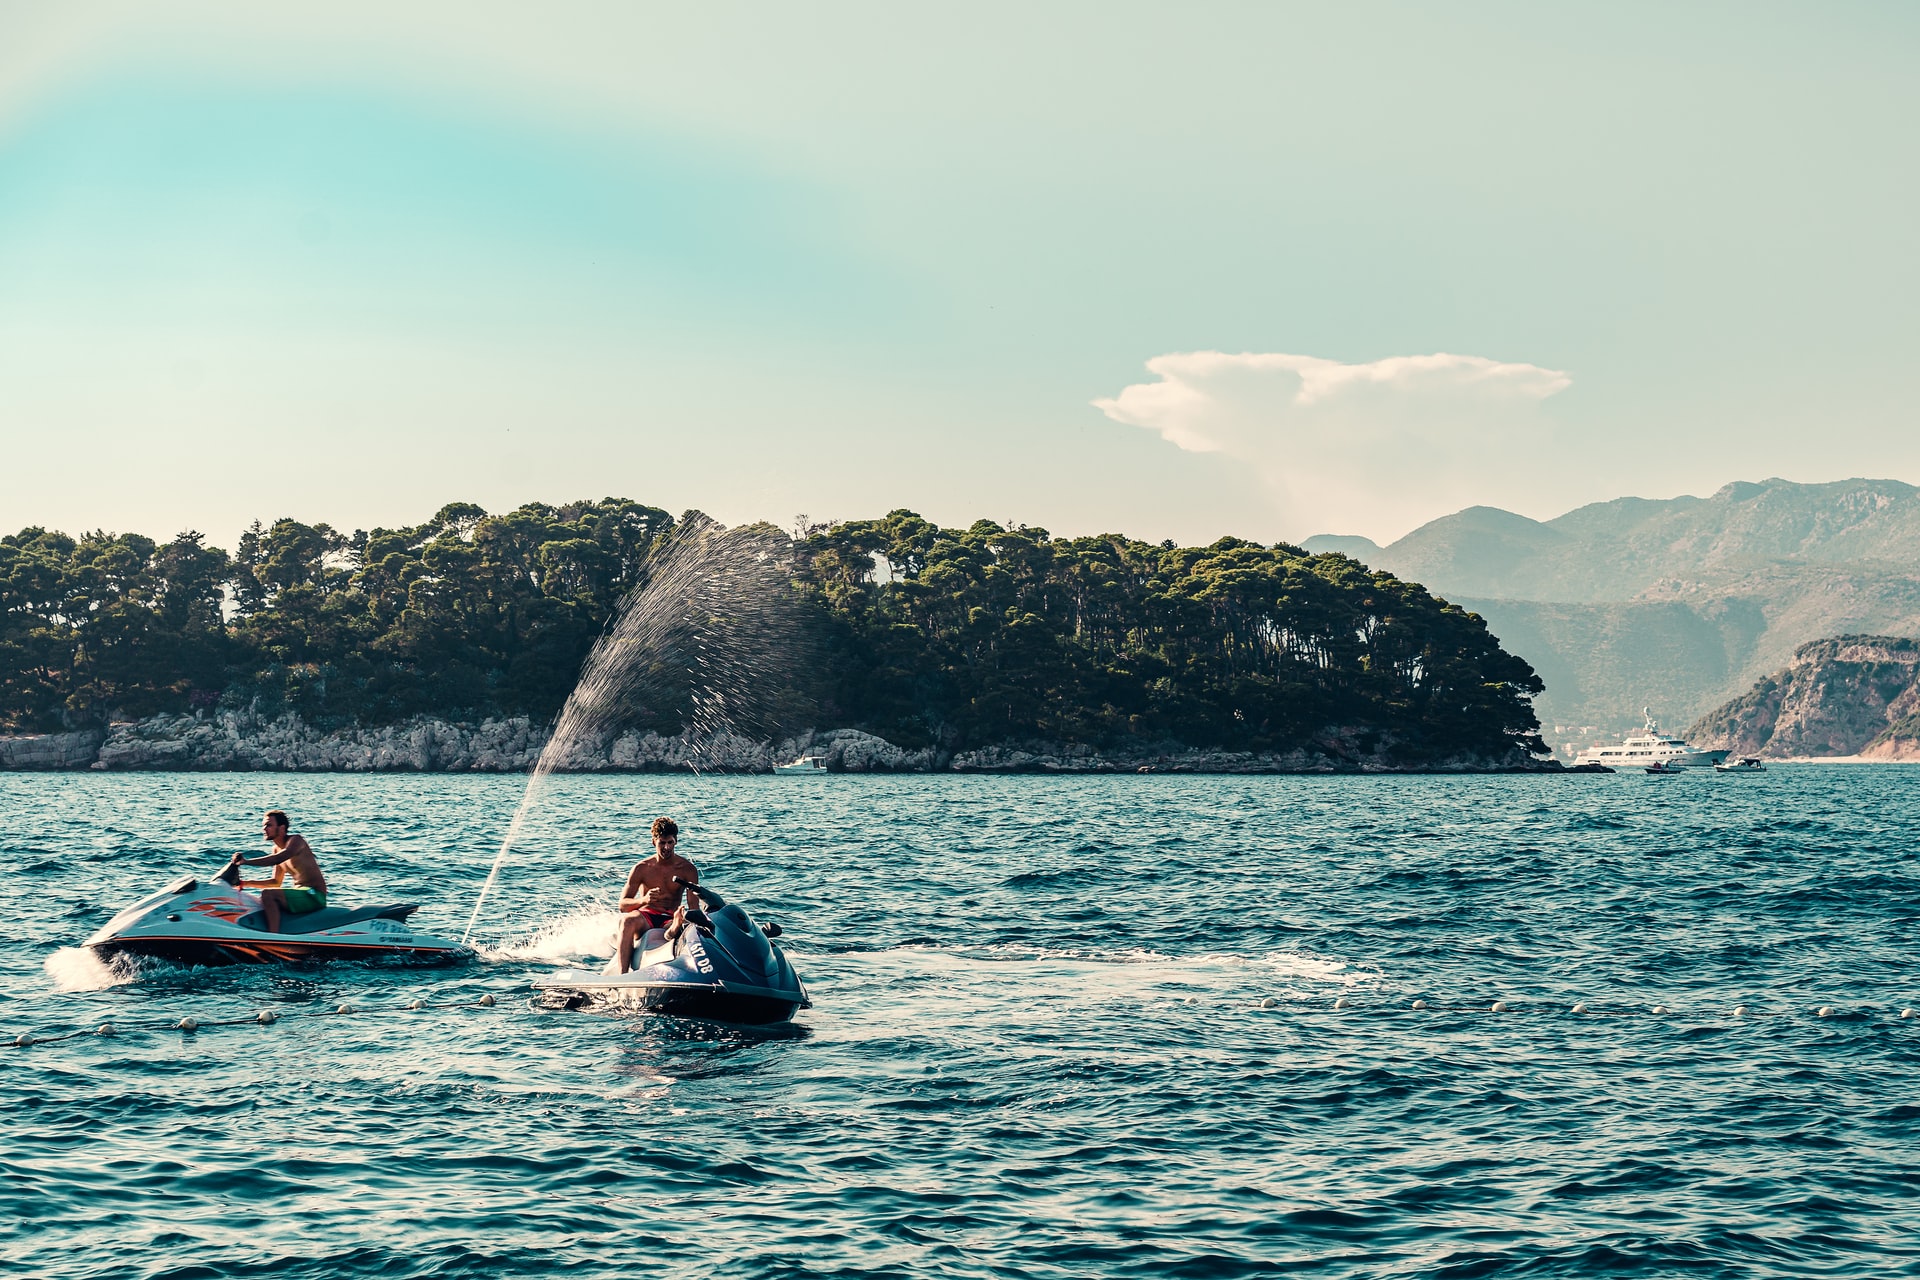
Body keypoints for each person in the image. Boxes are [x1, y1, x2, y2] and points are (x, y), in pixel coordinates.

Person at [614, 816, 698, 974]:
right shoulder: (642, 868)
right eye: (662, 843)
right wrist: (644, 900)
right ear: (654, 842)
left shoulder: (687, 869)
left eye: (670, 842)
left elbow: (694, 906)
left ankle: (675, 927)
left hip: (671, 917)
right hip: (647, 916)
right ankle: (622, 975)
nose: (666, 847)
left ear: (676, 841)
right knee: (626, 921)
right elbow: (622, 905)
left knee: (684, 923)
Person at [226, 810, 329, 933]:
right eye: (263, 825)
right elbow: (275, 882)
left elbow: (278, 858)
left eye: (269, 825)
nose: (264, 829)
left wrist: (246, 862)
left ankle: (272, 936)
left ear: (282, 828)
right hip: (300, 893)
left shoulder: (296, 841)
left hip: (314, 895)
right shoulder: (276, 849)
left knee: (268, 895)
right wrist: (244, 883)